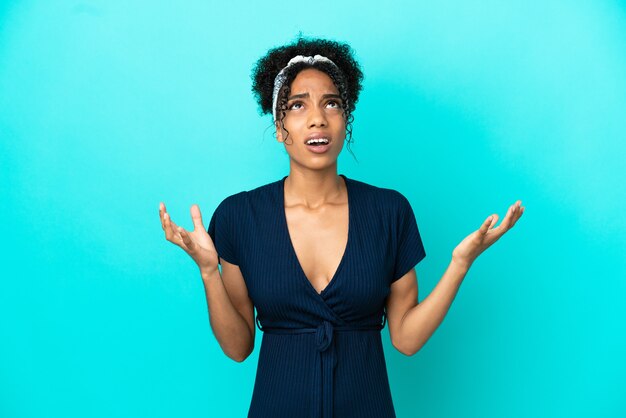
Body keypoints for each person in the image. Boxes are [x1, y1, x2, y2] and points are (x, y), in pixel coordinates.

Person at [158, 36, 524, 418]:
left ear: (345, 119)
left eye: (331, 103)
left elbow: (406, 339)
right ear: (279, 126)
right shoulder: (239, 217)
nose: (317, 117)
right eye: (297, 105)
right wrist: (207, 272)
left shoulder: (388, 212)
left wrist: (460, 264)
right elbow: (238, 348)